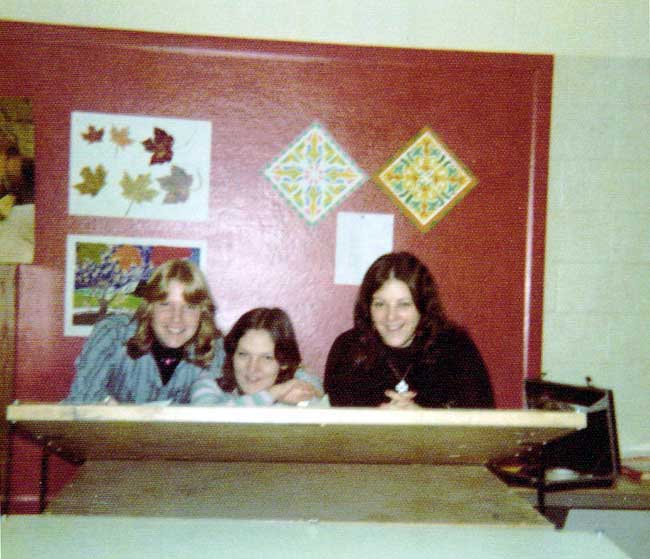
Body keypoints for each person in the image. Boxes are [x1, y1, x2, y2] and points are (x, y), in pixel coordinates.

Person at [324, 252, 494, 409]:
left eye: (404, 304)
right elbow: (337, 425)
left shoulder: (456, 347)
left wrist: (425, 420)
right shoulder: (347, 349)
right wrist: (374, 420)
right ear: (368, 308)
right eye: (380, 304)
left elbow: (482, 421)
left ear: (423, 306)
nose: (391, 316)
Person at [65, 259, 224, 404]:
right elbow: (81, 401)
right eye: (165, 304)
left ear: (202, 312)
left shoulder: (214, 348)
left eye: (189, 307)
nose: (176, 318)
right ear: (149, 307)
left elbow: (215, 413)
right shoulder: (113, 334)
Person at [191, 307, 324, 406]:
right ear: (232, 355)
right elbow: (208, 422)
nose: (252, 368)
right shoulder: (207, 384)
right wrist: (273, 394)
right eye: (244, 355)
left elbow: (313, 398)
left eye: (267, 358)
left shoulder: (294, 391)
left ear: (284, 362)